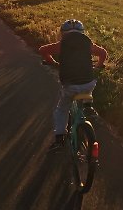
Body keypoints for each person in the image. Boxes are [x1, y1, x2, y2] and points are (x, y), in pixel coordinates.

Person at [39, 19, 108, 149]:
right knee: (88, 86)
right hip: (88, 82)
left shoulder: (62, 44)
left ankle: (59, 139)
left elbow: (43, 50)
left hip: (70, 85)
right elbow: (103, 53)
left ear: (63, 33)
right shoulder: (87, 42)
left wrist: (53, 63)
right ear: (82, 32)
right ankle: (88, 105)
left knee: (62, 109)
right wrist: (97, 67)